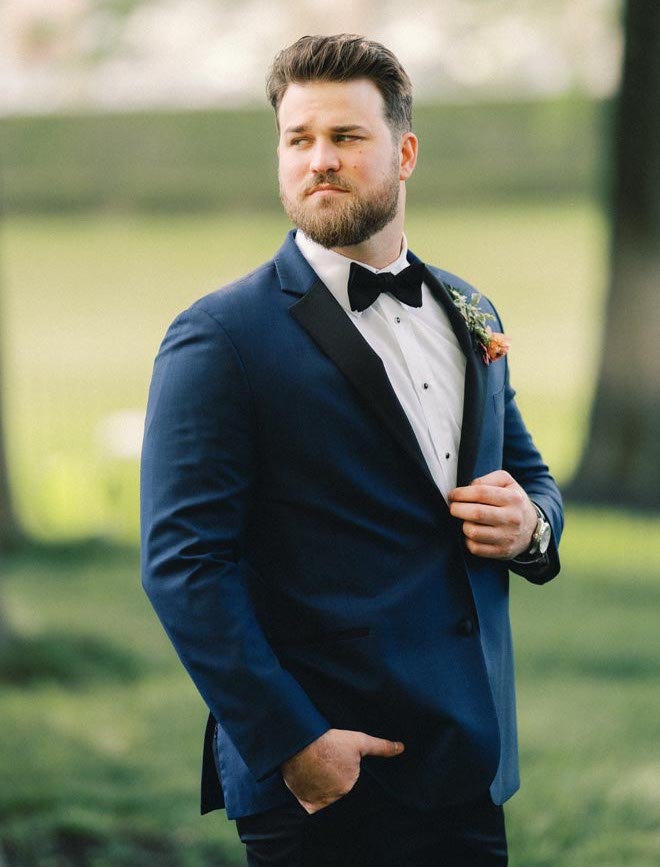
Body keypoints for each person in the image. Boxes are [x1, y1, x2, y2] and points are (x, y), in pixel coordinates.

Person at [141, 33, 563, 867]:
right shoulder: (219, 337)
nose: (318, 161)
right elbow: (184, 564)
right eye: (298, 140)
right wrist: (295, 743)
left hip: (469, 766)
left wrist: (531, 527)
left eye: (345, 137)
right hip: (325, 784)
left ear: (404, 152)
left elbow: (532, 477)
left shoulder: (470, 309)